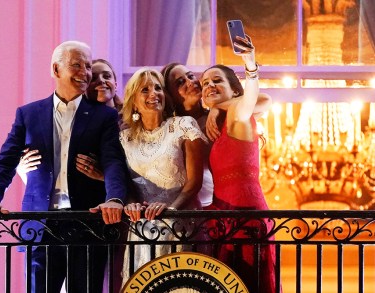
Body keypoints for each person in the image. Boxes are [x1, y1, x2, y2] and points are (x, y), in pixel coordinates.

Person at [0, 41, 128, 293]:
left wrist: (114, 198)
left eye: (88, 66)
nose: (85, 72)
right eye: (76, 65)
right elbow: (5, 160)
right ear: (56, 70)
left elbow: (113, 161)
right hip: (40, 224)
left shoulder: (105, 116)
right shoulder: (28, 113)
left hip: (86, 222)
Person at [200, 35, 279, 292]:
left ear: (234, 89)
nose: (209, 86)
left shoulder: (238, 118)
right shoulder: (216, 127)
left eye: (217, 81)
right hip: (222, 219)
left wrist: (250, 65)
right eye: (204, 84)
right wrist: (216, 108)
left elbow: (252, 97)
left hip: (246, 219)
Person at [119, 67, 208, 286]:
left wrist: (171, 210)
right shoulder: (125, 138)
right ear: (134, 101)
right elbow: (126, 183)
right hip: (141, 231)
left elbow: (194, 182)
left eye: (158, 88)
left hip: (180, 227)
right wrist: (130, 204)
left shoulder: (183, 126)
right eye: (145, 90)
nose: (153, 94)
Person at [161, 63, 272, 208]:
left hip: (230, 203)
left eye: (191, 76)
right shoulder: (171, 130)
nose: (190, 82)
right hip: (190, 207)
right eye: (180, 82)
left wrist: (218, 107)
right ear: (171, 96)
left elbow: (264, 100)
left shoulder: (222, 117)